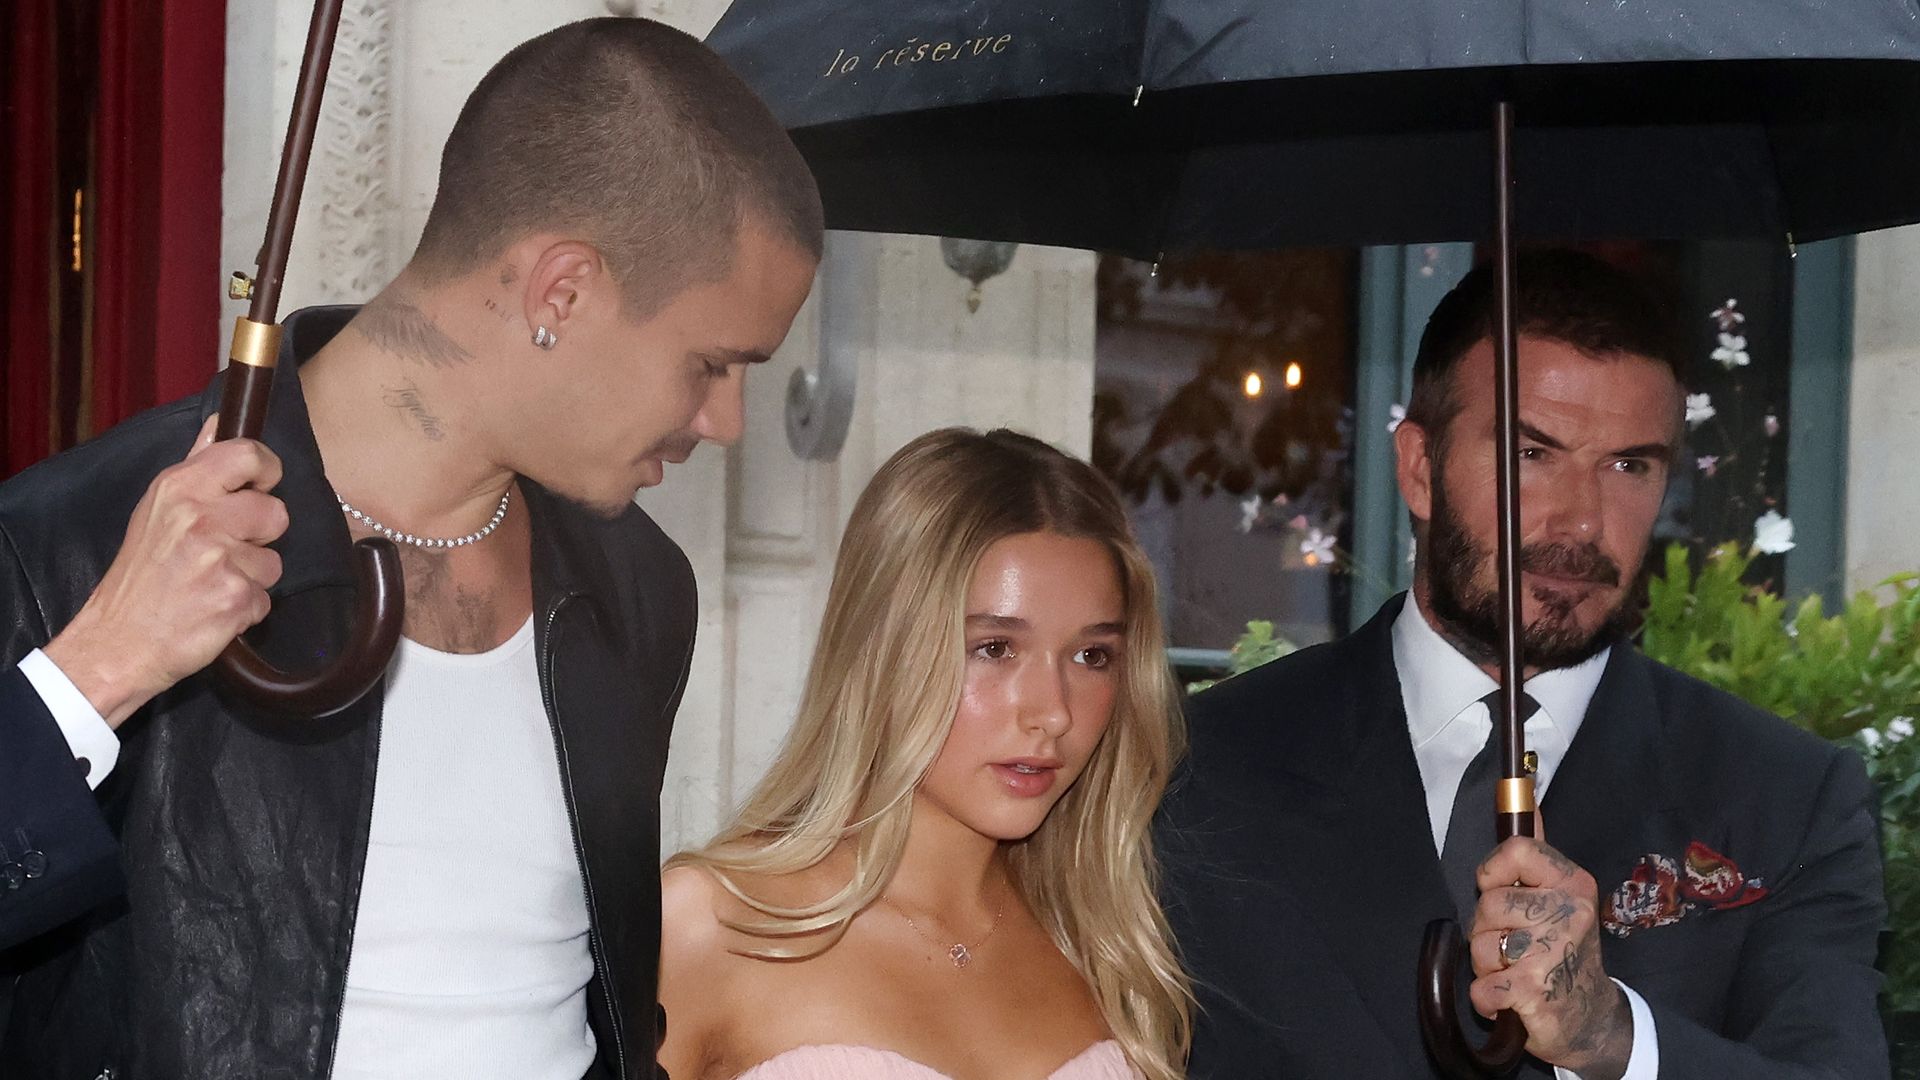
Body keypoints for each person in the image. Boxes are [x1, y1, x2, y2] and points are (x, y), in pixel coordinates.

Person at [0, 18, 821, 1079]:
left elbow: (595, 1011)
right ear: (559, 292)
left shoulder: (637, 589)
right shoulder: (69, 543)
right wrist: (102, 666)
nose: (728, 422)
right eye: (712, 363)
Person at [1158, 251, 1888, 1079]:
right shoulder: (1202, 763)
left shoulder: (1786, 799)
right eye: (1533, 454)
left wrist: (1615, 1040)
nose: (1580, 520)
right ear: (1420, 468)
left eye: (1629, 465)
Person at [656, 428, 1192, 1080]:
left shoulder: (1108, 949)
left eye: (1091, 656)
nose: (1052, 711)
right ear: (881, 648)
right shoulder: (711, 925)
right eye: (994, 648)